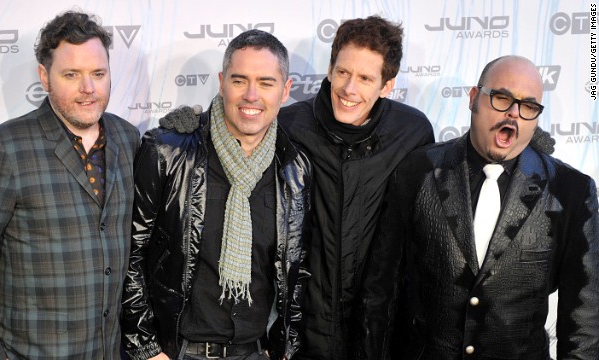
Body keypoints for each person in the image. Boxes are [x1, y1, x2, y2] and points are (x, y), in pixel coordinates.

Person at [161, 16, 434, 359]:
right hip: (300, 336)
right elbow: (235, 130)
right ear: (330, 69)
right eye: (343, 72)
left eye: (365, 78)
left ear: (386, 86)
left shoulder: (412, 133)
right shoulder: (289, 128)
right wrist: (187, 126)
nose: (350, 89)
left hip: (373, 334)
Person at [386, 55, 599, 359]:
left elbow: (584, 323)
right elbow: (382, 290)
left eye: (528, 106)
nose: (513, 114)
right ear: (474, 98)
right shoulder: (417, 170)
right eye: (501, 98)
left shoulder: (572, 191)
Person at [120, 29, 312, 360]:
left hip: (254, 350)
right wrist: (146, 349)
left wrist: (283, 348)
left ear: (285, 91)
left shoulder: (294, 169)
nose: (252, 95)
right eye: (240, 81)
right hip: (178, 351)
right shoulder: (168, 151)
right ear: (222, 82)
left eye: (266, 83)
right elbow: (129, 254)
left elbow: (296, 269)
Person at [0, 10, 140, 360]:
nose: (88, 89)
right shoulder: (3, 149)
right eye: (71, 74)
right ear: (45, 76)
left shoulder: (128, 139)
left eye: (98, 74)